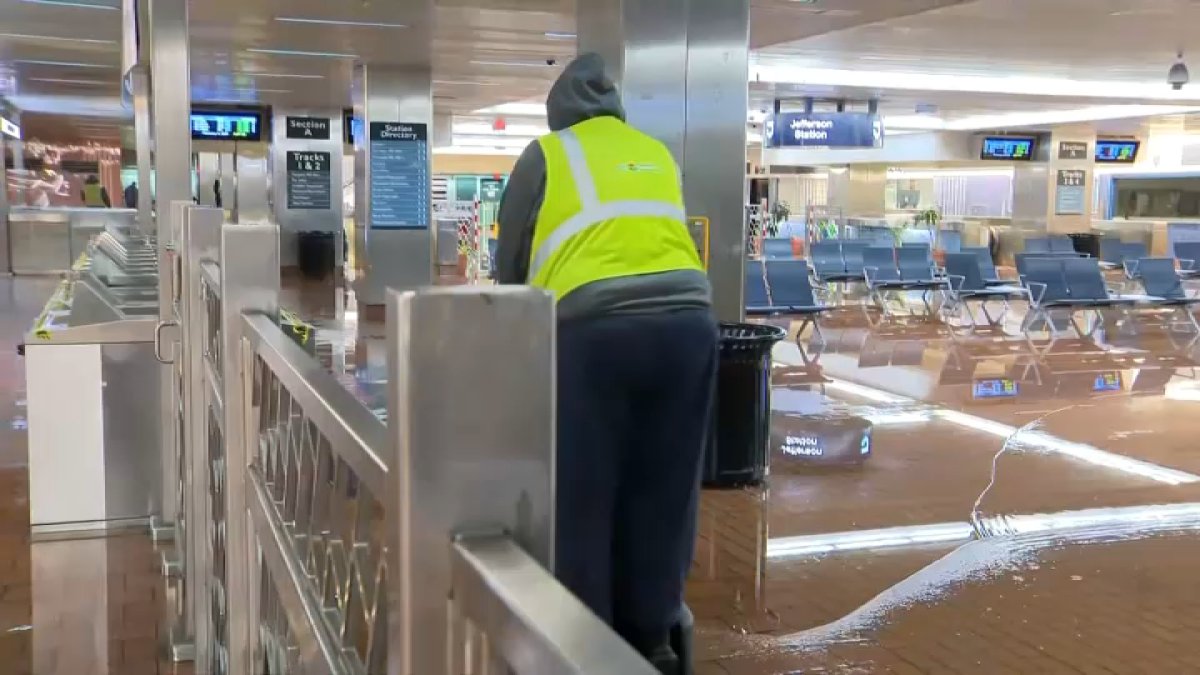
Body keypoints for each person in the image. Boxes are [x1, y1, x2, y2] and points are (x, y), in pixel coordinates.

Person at [494, 53, 716, 674]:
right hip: (689, 325)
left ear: (557, 110)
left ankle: (585, 648)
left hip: (595, 332)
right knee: (664, 489)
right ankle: (654, 641)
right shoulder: (653, 152)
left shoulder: (548, 155)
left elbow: (510, 264)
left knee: (583, 492)